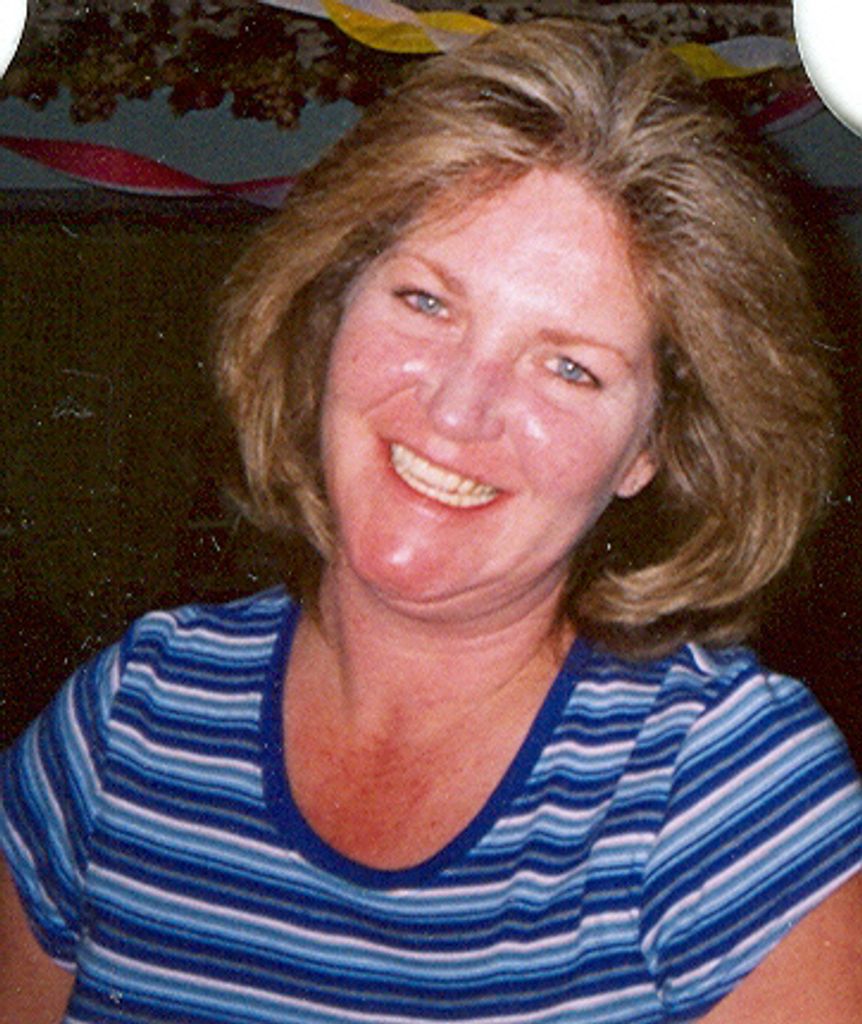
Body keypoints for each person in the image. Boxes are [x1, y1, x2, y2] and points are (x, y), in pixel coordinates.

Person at [2, 18, 860, 1024]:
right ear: (329, 309)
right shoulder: (133, 715)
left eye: (569, 366)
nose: (457, 410)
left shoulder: (721, 787)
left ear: (652, 448)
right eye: (425, 301)